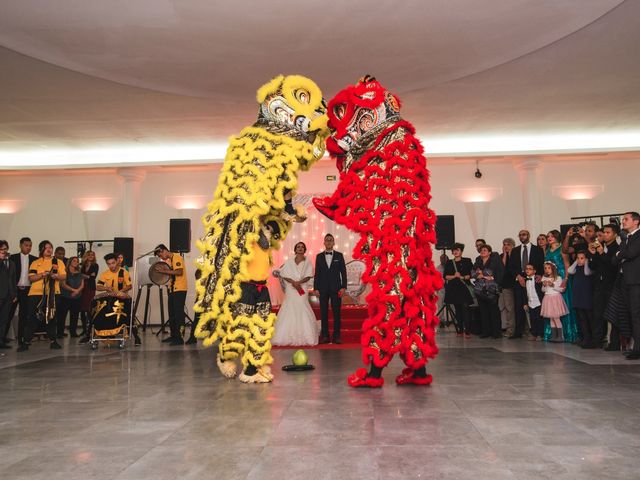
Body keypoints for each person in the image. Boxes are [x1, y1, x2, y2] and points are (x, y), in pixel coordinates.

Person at [18, 240, 66, 351]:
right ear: (42, 250)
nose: (49, 249)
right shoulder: (35, 262)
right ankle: (26, 342)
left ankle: (53, 341)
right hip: (36, 293)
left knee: (51, 317)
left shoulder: (58, 262)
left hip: (53, 293)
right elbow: (31, 277)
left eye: (50, 247)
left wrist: (56, 276)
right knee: (32, 317)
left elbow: (64, 276)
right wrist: (42, 275)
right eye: (46, 247)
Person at [272, 242, 318, 345]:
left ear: (305, 250)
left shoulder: (308, 262)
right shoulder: (289, 261)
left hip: (302, 288)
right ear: (295, 249)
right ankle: (285, 336)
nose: (300, 248)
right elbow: (284, 274)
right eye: (298, 247)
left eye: (302, 247)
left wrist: (299, 283)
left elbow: (309, 275)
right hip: (291, 288)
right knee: (289, 307)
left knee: (302, 307)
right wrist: (293, 282)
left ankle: (305, 336)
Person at [96, 253, 140, 345]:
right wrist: (106, 288)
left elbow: (129, 286)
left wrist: (120, 291)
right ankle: (95, 333)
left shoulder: (123, 272)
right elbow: (98, 286)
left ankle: (136, 337)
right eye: (109, 264)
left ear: (117, 262)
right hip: (110, 298)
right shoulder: (105, 274)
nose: (111, 265)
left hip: (122, 298)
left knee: (129, 316)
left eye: (113, 263)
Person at [508, 229, 544, 339]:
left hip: (534, 281)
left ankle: (537, 332)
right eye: (519, 235)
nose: (521, 237)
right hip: (519, 280)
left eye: (523, 235)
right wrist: (518, 277)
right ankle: (518, 332)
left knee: (536, 307)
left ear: (528, 235)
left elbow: (541, 263)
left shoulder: (537, 249)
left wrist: (539, 275)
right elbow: (511, 266)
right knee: (519, 306)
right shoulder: (515, 250)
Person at [590, 224, 620, 350]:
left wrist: (602, 253)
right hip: (599, 285)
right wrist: (593, 254)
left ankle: (614, 343)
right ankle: (596, 340)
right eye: (604, 233)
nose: (605, 235)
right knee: (597, 314)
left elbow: (613, 266)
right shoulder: (600, 247)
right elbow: (593, 267)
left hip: (612, 286)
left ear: (615, 234)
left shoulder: (617, 248)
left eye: (608, 233)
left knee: (613, 315)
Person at [544, 230, 578, 343]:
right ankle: (553, 334)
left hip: (562, 276)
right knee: (552, 306)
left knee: (564, 304)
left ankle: (567, 333)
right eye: (548, 236)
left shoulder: (561, 249)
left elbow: (567, 264)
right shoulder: (547, 250)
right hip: (551, 278)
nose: (549, 238)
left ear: (557, 237)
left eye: (552, 236)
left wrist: (566, 279)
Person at [313, 234, 347, 344]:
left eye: (330, 240)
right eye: (327, 240)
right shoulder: (319, 256)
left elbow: (343, 273)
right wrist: (316, 288)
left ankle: (336, 336)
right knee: (324, 313)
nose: (328, 242)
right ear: (324, 242)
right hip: (322, 288)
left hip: (336, 288)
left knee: (337, 313)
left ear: (333, 243)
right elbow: (317, 274)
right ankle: (325, 336)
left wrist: (343, 287)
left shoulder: (339, 255)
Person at [616, 212, 640, 360]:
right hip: (625, 280)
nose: (623, 222)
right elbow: (615, 259)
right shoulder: (626, 238)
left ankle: (638, 348)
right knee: (630, 313)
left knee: (636, 314)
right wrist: (620, 254)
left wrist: (620, 254)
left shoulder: (637, 237)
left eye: (626, 219)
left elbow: (630, 253)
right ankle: (634, 346)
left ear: (636, 221)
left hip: (636, 280)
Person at [154, 244, 187, 345]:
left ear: (164, 250)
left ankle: (180, 338)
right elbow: (170, 274)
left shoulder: (177, 257)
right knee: (172, 315)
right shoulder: (169, 261)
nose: (161, 258)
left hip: (180, 289)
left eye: (160, 255)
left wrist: (165, 271)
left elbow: (179, 272)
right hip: (172, 290)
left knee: (178, 315)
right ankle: (174, 336)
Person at [8, 237, 36, 346]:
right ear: (20, 245)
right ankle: (2, 339)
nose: (28, 247)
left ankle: (22, 338)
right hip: (15, 290)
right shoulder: (12, 258)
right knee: (8, 314)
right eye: (26, 245)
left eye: (30, 245)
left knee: (24, 315)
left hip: (28, 290)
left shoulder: (34, 259)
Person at [473, 244, 504, 339]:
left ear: (489, 252)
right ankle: (486, 331)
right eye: (481, 250)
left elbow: (498, 273)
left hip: (492, 289)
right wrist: (479, 275)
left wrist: (483, 275)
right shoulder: (478, 261)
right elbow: (473, 273)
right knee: (483, 311)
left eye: (485, 250)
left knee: (494, 311)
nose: (482, 251)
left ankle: (496, 333)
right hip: (480, 290)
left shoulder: (495, 261)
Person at [443, 243, 474, 337]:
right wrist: (454, 276)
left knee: (465, 308)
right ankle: (460, 330)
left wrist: (464, 277)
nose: (456, 252)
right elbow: (446, 276)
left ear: (461, 251)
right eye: (454, 250)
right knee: (458, 309)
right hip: (453, 288)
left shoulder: (467, 261)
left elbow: (471, 274)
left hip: (464, 288)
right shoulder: (449, 262)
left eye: (458, 250)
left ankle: (467, 330)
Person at [568, 251, 595, 348]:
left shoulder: (589, 268)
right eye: (578, 258)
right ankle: (584, 337)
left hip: (586, 296)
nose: (579, 260)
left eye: (582, 258)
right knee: (581, 318)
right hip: (578, 296)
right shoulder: (576, 268)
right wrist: (576, 262)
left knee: (589, 318)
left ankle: (591, 338)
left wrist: (586, 262)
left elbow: (587, 272)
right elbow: (570, 270)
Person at [541, 261, 569, 342]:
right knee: (551, 318)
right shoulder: (544, 278)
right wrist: (544, 285)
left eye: (549, 268)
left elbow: (561, 289)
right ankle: (554, 336)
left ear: (553, 269)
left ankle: (560, 336)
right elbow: (543, 290)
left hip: (555, 298)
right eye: (545, 268)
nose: (547, 270)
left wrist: (553, 285)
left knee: (556, 318)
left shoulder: (558, 278)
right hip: (547, 298)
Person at [58, 257, 84, 338]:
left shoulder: (79, 273)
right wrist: (73, 290)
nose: (76, 262)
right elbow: (63, 284)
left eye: (77, 261)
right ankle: (60, 332)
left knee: (75, 315)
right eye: (74, 261)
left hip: (77, 297)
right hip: (65, 296)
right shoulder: (64, 272)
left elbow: (82, 284)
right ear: (70, 262)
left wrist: (77, 291)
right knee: (62, 316)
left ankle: (73, 332)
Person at [0, 240, 16, 349]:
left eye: (5, 249)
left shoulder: (11, 263)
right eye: (1, 249)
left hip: (8, 296)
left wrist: (14, 294)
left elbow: (13, 279)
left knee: (4, 319)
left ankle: (1, 340)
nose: (4, 251)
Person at [79, 250, 98, 340]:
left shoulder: (95, 265)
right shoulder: (82, 265)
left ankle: (90, 329)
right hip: (82, 288)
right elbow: (87, 276)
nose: (91, 256)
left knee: (89, 308)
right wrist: (87, 276)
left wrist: (83, 275)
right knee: (82, 309)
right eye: (89, 255)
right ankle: (83, 329)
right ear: (86, 256)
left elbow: (93, 277)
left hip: (90, 288)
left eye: (93, 255)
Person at [499, 238, 516, 337]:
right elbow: (502, 267)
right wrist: (505, 254)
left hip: (517, 284)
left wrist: (511, 253)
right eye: (504, 244)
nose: (506, 246)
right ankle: (510, 330)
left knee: (520, 307)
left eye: (508, 244)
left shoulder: (516, 254)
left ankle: (523, 329)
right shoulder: (502, 256)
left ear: (513, 245)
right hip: (506, 285)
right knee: (509, 308)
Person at [523, 263, 544, 341]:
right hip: (530, 302)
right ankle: (534, 333)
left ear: (534, 271)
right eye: (526, 269)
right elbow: (525, 293)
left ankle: (540, 334)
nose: (527, 270)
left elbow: (541, 292)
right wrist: (525, 303)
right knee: (532, 319)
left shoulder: (538, 280)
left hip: (538, 302)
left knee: (539, 318)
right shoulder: (525, 280)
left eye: (530, 269)